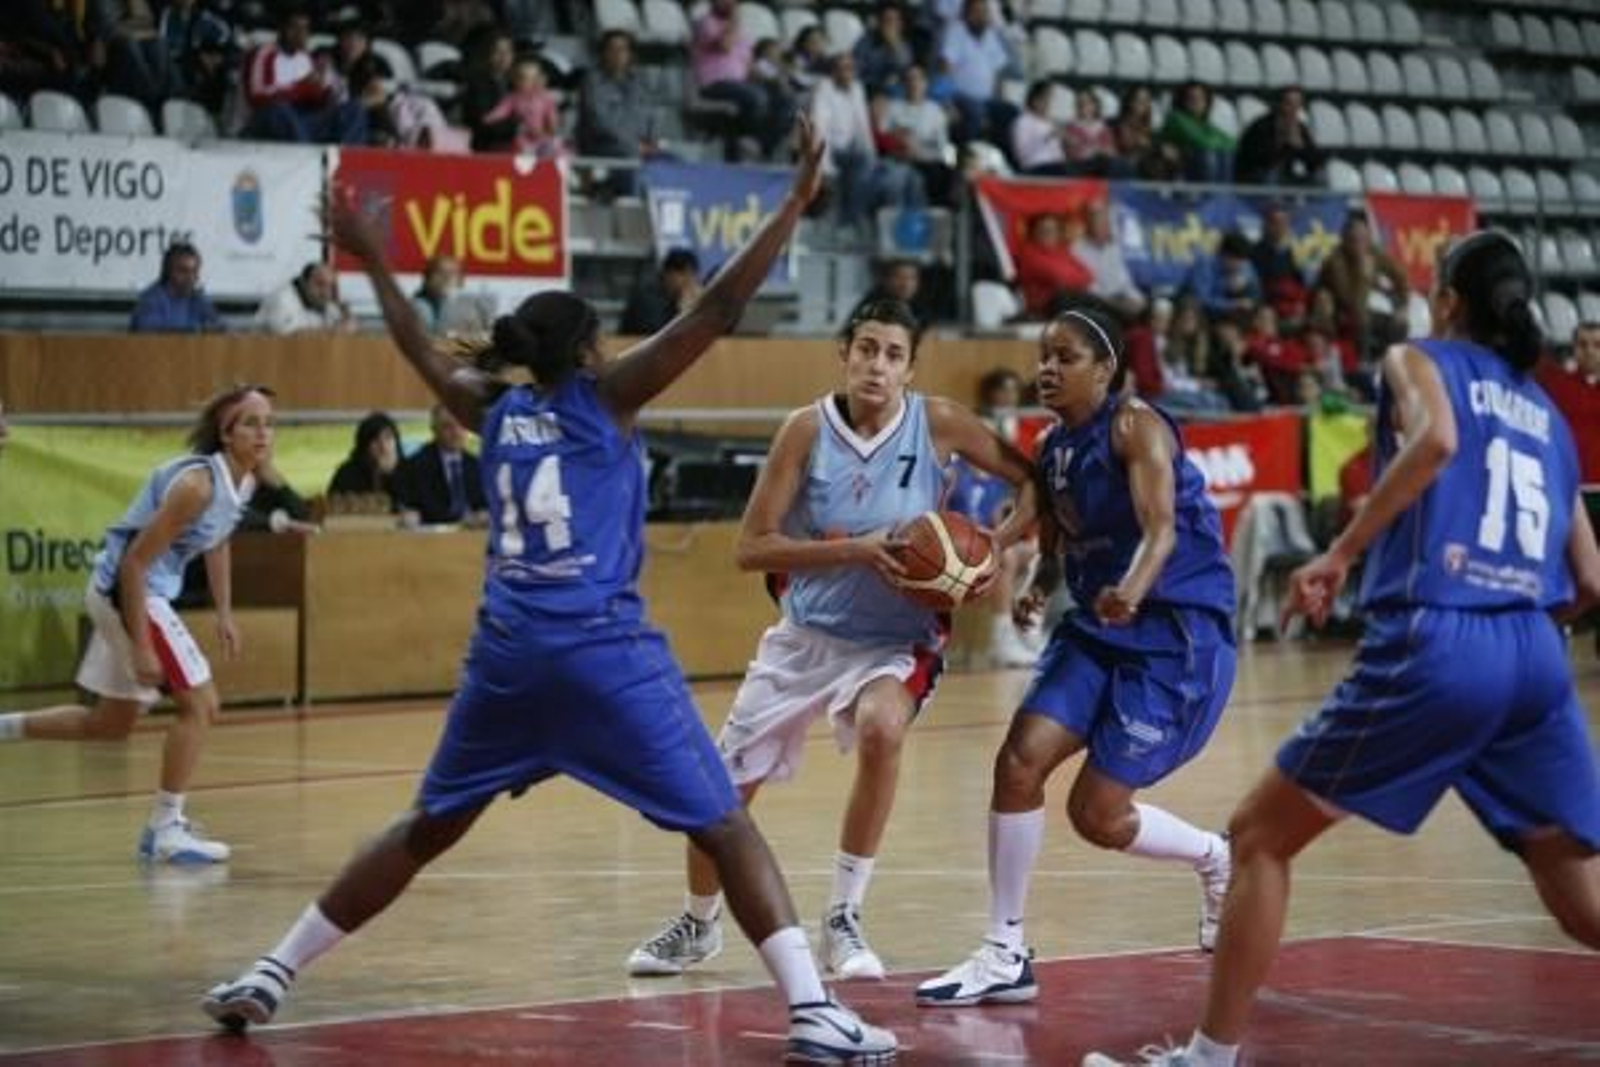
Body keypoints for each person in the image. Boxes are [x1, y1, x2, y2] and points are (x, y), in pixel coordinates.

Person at [201, 119, 898, 1063]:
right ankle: (814, 1011)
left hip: (507, 660)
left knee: (424, 827)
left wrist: (370, 260)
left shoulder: (492, 409)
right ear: (585, 352)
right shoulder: (603, 400)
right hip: (603, 655)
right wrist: (789, 207)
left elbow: (414, 346)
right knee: (726, 825)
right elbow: (718, 311)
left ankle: (271, 972)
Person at [1081, 231, 1600, 1067]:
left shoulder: (1417, 357)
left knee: (1256, 835)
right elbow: (1591, 578)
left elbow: (1434, 442)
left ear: (1451, 300)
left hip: (1441, 636)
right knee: (1580, 902)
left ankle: (1206, 1060)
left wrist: (1339, 553)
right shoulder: (1546, 411)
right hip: (1534, 650)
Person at [626, 296, 1036, 981]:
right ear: (843, 354)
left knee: (882, 728)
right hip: (807, 633)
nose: (878, 365)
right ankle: (698, 924)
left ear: (910, 368)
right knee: (714, 795)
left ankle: (843, 917)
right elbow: (751, 548)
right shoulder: (803, 431)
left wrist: (995, 541)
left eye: (893, 354)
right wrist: (856, 551)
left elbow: (1031, 482)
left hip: (897, 638)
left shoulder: (938, 423)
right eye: (867, 349)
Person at [917, 306, 1236, 1008]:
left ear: (1106, 369)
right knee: (1018, 759)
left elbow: (1160, 531)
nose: (1047, 369)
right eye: (1043, 355)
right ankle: (1004, 950)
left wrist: (1131, 589)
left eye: (1065, 357)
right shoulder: (1055, 445)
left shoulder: (1137, 426)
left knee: (1097, 813)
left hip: (1175, 636)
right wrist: (1040, 583)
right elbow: (1063, 534)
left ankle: (1217, 858)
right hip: (1098, 628)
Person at [0, 385, 275, 863]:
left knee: (108, 723)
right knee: (202, 704)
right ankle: (165, 828)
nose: (264, 432)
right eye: (251, 422)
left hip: (132, 593)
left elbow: (217, 543)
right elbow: (133, 565)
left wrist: (226, 612)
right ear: (226, 435)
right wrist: (143, 646)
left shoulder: (243, 482)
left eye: (269, 422)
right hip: (128, 591)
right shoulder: (197, 486)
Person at [394, 404, 487, 526]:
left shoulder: (478, 465)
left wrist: (485, 515)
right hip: (430, 537)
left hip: (471, 535)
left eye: (461, 425)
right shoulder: (414, 465)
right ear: (434, 430)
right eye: (447, 426)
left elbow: (485, 504)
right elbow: (413, 509)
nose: (456, 431)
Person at [1233, 87, 1323, 188]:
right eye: (1289, 103)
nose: (1294, 108)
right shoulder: (1261, 126)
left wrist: (1302, 148)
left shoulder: (1300, 128)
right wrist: (1286, 144)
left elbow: (1315, 163)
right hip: (1254, 176)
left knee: (1319, 175)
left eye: (1298, 104)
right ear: (1279, 104)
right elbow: (1263, 161)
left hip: (1284, 176)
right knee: (1273, 173)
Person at [131, 243, 226, 333]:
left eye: (194, 272)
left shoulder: (199, 299)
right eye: (183, 271)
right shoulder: (152, 300)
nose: (190, 278)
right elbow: (150, 337)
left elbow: (221, 328)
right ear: (168, 271)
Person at [326, 411, 402, 511]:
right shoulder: (347, 473)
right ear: (364, 446)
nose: (383, 446)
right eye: (375, 440)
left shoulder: (408, 470)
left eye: (388, 438)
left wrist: (391, 475)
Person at [620, 249, 701, 336]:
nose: (688, 280)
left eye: (692, 275)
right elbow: (657, 334)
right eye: (683, 274)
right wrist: (682, 312)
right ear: (668, 273)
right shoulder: (647, 296)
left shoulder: (679, 297)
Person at [254, 263, 353, 335]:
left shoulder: (326, 304)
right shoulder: (281, 299)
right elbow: (284, 336)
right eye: (320, 284)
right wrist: (332, 332)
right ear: (303, 282)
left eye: (330, 287)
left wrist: (347, 319)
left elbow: (345, 327)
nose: (326, 293)